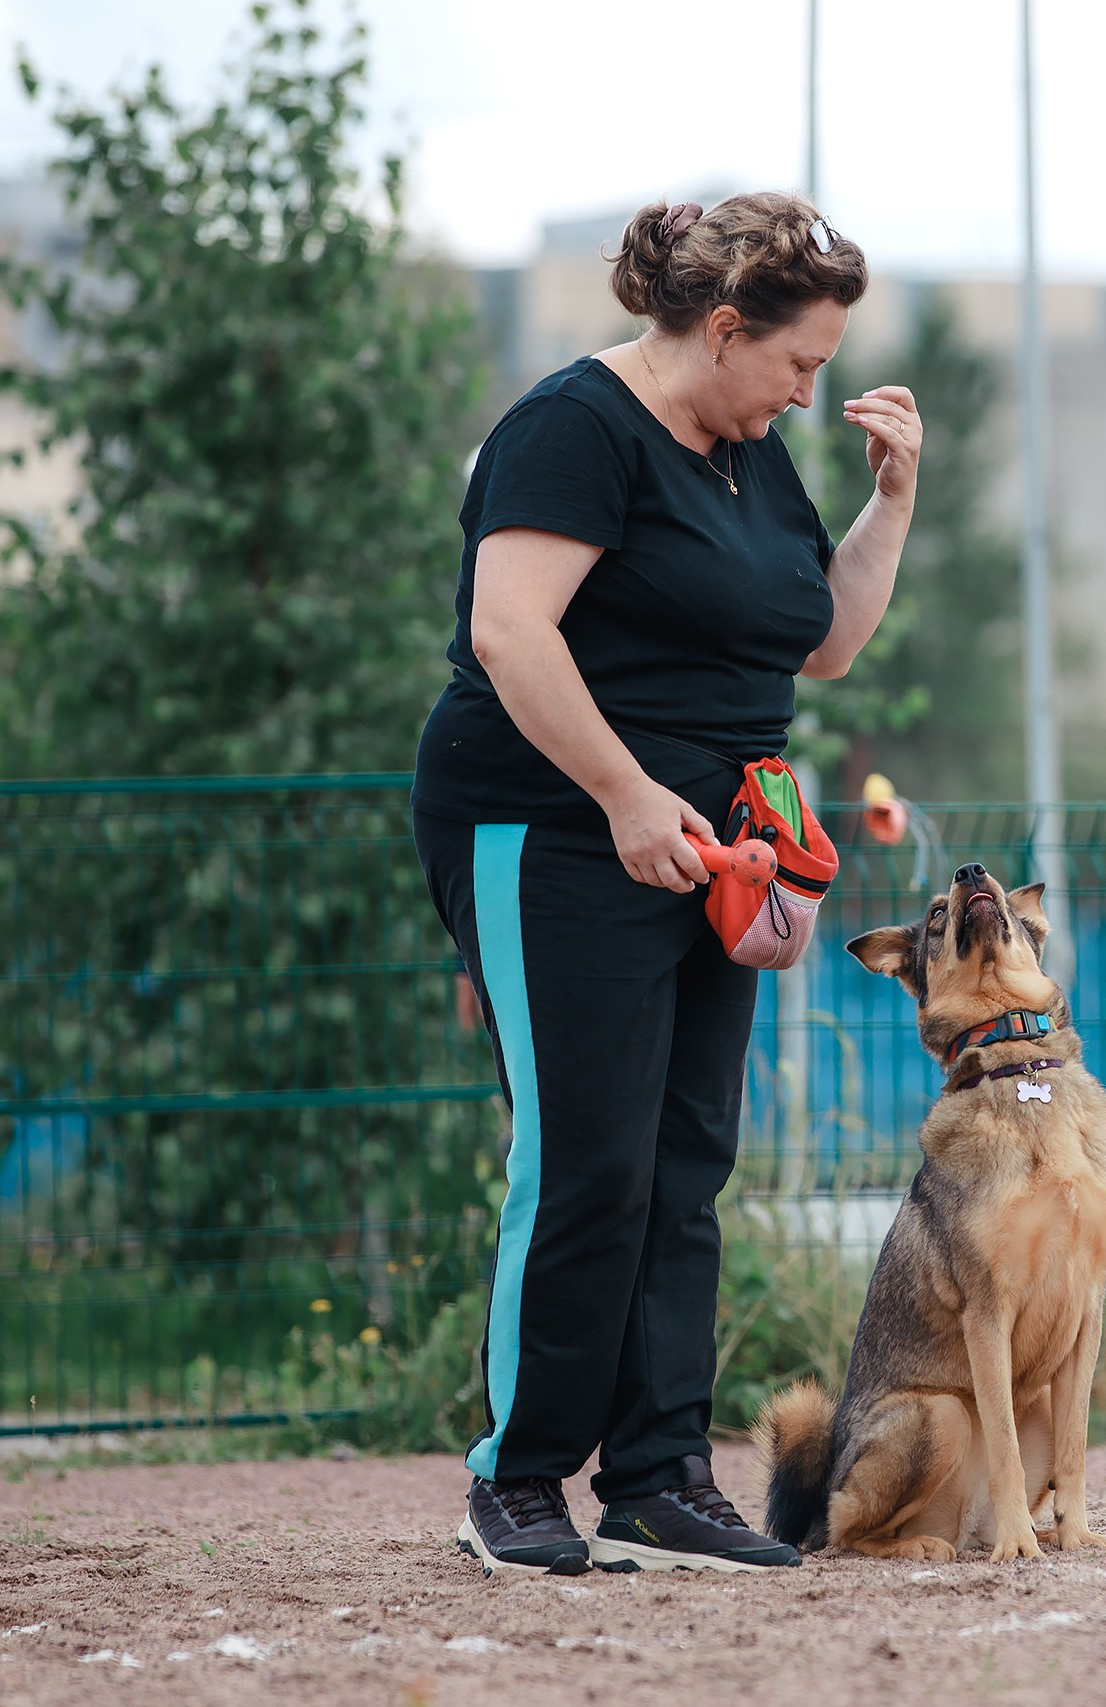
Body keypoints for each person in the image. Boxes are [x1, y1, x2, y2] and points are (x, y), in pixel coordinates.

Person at [409, 194, 920, 1574]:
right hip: (550, 819)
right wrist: (625, 791)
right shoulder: (575, 428)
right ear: (720, 325)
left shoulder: (753, 451)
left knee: (684, 1161)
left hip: (717, 840)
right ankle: (516, 1478)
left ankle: (658, 1474)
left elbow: (820, 644)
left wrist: (891, 501)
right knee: (586, 1158)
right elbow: (509, 631)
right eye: (798, 361)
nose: (811, 389)